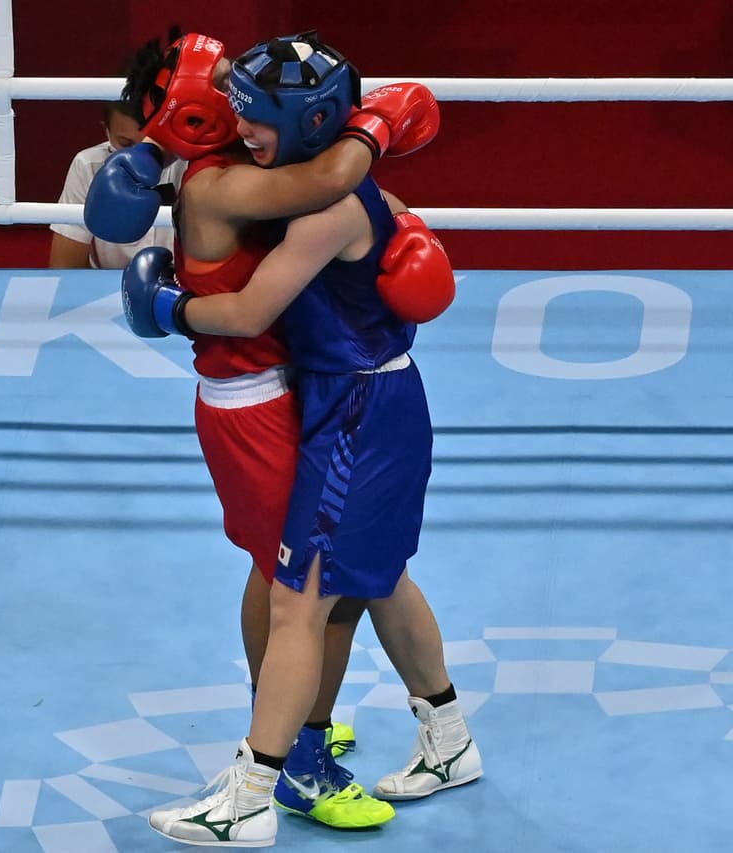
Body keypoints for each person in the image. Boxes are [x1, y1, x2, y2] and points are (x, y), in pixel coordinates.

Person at [85, 29, 466, 846]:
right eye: (220, 92)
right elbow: (337, 182)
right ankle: (303, 745)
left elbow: (347, 197)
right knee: (314, 590)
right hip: (267, 405)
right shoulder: (236, 182)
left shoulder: (277, 182)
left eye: (243, 96)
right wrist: (376, 126)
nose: (233, 104)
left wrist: (166, 307)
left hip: (327, 398)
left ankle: (311, 747)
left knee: (329, 584)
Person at [48, 98, 185, 269]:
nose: (140, 157)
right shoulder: (88, 166)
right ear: (107, 131)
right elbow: (64, 267)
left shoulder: (193, 166)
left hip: (183, 290)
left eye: (153, 144)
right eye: (126, 144)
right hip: (104, 288)